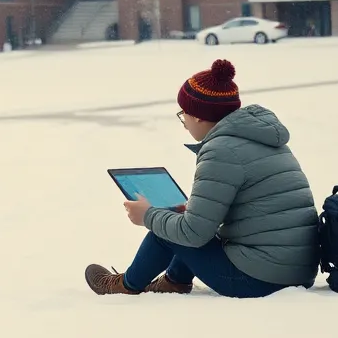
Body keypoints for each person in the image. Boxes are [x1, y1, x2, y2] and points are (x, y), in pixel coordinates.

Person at [84, 58, 319, 298]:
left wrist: (148, 216)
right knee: (179, 219)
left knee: (164, 229)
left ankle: (125, 286)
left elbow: (194, 233)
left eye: (183, 113)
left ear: (197, 116)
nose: (183, 121)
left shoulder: (220, 150)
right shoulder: (263, 139)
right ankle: (174, 281)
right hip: (296, 272)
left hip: (259, 279)